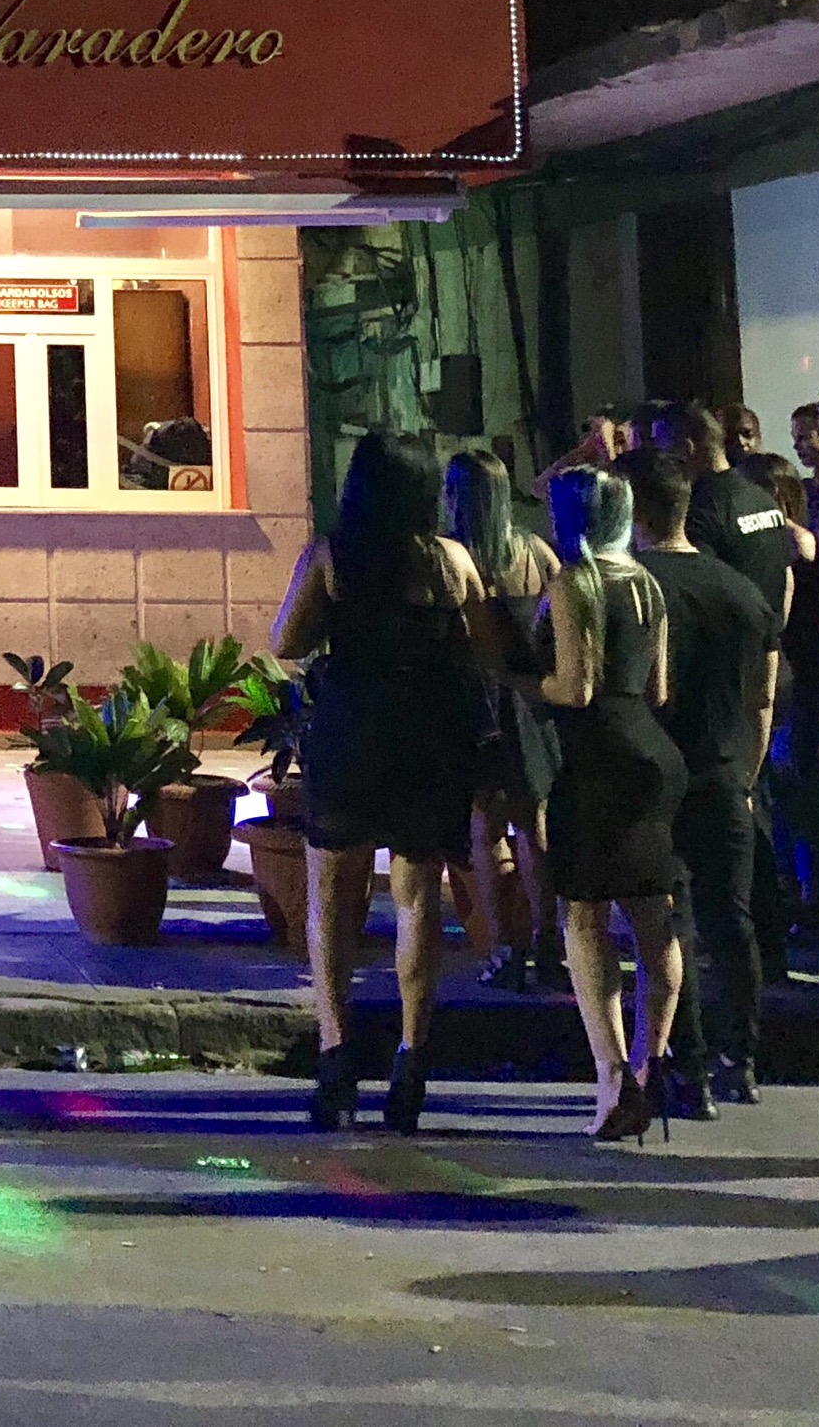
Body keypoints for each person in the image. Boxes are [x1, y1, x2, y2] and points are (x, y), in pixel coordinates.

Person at [273, 431, 494, 1133]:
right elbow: (485, 648)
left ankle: (336, 1056)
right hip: (426, 737)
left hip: (351, 730)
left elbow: (285, 641)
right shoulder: (452, 562)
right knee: (417, 900)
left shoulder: (332, 557)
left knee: (332, 901)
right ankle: (411, 1057)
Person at [541, 463, 689, 1143]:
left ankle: (612, 1075)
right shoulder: (647, 584)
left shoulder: (574, 583)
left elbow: (574, 689)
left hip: (596, 757)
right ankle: (654, 1060)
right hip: (654, 753)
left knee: (585, 914)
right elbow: (658, 688)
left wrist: (524, 679)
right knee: (654, 915)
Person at [635, 447, 779, 1116]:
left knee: (669, 924)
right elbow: (763, 697)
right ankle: (739, 1060)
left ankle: (684, 1066)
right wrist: (748, 771)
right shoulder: (741, 591)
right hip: (724, 770)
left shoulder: (637, 584)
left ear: (637, 510)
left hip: (656, 774)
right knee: (731, 923)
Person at [446, 449, 560, 995]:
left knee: (486, 832)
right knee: (536, 828)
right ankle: (549, 945)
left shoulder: (454, 558)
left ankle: (505, 950)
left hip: (478, 705)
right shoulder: (536, 553)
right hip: (531, 704)